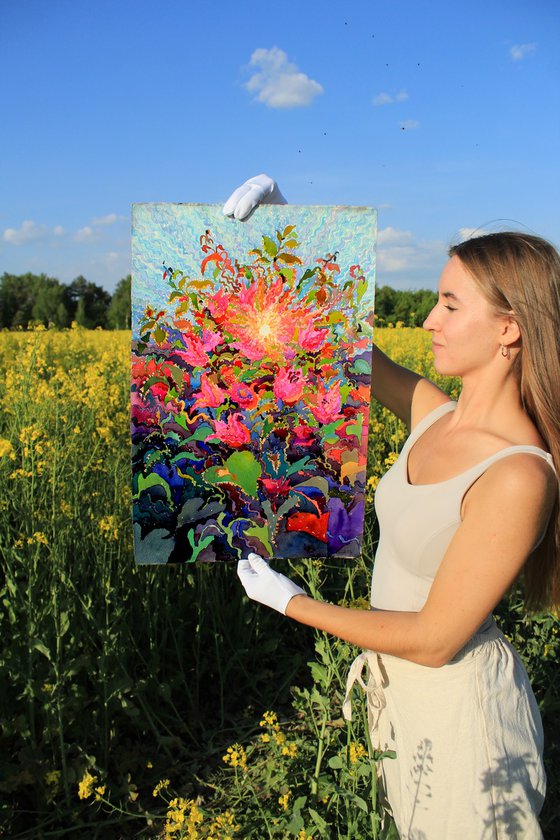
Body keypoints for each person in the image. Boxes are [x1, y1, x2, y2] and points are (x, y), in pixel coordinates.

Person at [224, 176, 560, 839]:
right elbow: (351, 348)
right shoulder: (437, 416)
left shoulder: (517, 474)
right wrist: (290, 230)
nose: (429, 321)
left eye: (449, 305)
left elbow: (435, 641)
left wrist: (290, 602)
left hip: (464, 717)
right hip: (399, 696)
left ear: (509, 330)